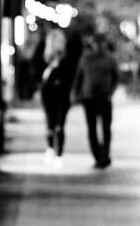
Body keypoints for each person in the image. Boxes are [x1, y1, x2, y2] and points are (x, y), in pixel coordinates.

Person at [74, 32, 120, 167]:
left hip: (104, 98)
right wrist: (76, 93)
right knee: (92, 129)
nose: (99, 46)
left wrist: (111, 92)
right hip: (89, 98)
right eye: (96, 43)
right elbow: (79, 77)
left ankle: (105, 155)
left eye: (101, 43)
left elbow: (116, 78)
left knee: (106, 128)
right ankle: (97, 156)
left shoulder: (110, 60)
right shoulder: (85, 59)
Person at [39, 29, 83, 159]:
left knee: (60, 123)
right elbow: (40, 75)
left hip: (63, 93)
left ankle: (59, 153)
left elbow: (72, 74)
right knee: (50, 122)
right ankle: (50, 148)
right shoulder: (45, 58)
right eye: (58, 41)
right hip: (48, 93)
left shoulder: (68, 57)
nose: (60, 44)